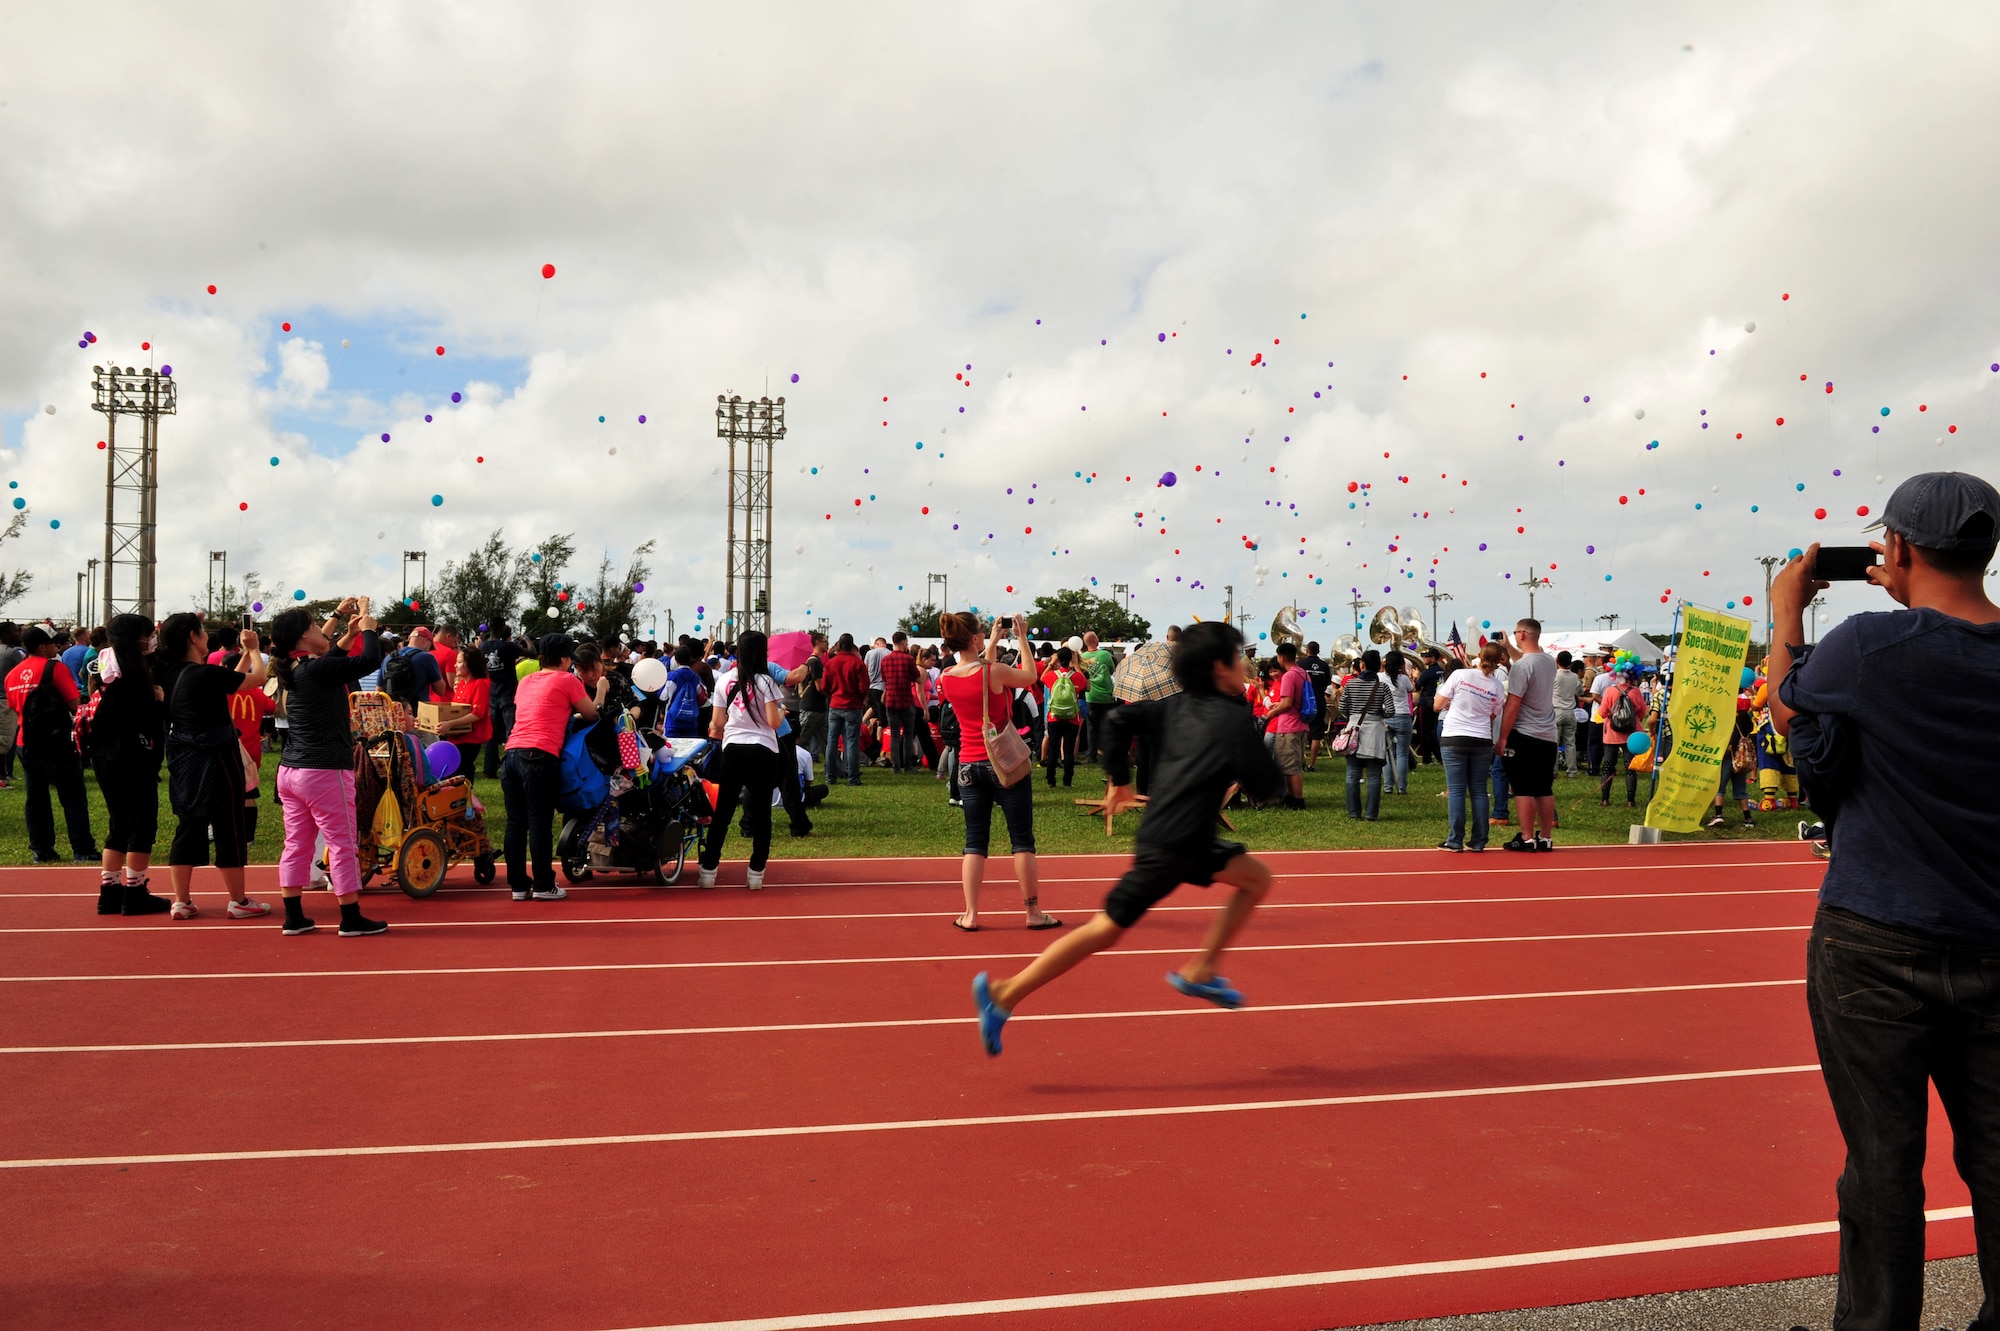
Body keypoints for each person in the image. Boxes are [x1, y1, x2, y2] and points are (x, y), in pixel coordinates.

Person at [1766, 473, 2000, 1328]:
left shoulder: (1868, 648)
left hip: (1874, 939)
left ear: (1895, 549)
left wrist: (1786, 610)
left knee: (1882, 1166)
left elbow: (1784, 709)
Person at [971, 622, 1283, 1057]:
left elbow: (1116, 719)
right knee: (1105, 929)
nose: (1245, 663)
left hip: (1180, 838)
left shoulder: (1175, 706)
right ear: (1219, 667)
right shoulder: (1234, 719)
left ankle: (1202, 967)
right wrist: (1256, 738)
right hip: (1175, 847)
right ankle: (1005, 993)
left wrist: (1119, 779)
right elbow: (1269, 787)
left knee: (1257, 879)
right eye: (1238, 656)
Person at [268, 598, 388, 937]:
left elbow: (330, 660)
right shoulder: (314, 670)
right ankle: (350, 917)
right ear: (303, 638)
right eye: (312, 626)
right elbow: (370, 660)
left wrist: (348, 635)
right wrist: (367, 628)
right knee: (341, 842)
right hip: (323, 771)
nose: (320, 631)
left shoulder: (295, 669)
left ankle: (294, 916)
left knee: (297, 843)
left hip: (291, 771)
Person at [936, 611, 1059, 933]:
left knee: (975, 841)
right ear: (974, 638)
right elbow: (1031, 675)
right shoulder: (996, 672)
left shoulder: (948, 676)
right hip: (1004, 763)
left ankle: (971, 914)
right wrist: (1020, 637)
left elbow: (978, 670)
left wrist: (990, 639)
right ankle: (1033, 912)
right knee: (1021, 840)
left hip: (968, 765)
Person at [155, 613, 269, 920]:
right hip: (217, 754)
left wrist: (243, 655)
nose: (207, 635)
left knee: (189, 822)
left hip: (183, 755)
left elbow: (230, 684)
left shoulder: (173, 672)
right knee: (229, 823)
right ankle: (239, 901)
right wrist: (256, 650)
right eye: (203, 631)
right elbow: (258, 679)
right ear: (193, 637)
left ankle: (181, 900)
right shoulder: (203, 674)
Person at [85, 614, 172, 915]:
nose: (153, 639)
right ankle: (135, 892)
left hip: (104, 755)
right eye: (150, 634)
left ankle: (109, 890)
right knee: (142, 823)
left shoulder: (104, 664)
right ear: (139, 638)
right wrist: (159, 701)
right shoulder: (135, 673)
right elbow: (142, 717)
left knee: (118, 821)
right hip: (132, 755)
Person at [502, 633, 599, 902]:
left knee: (516, 823)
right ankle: (544, 883)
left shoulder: (526, 681)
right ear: (566, 658)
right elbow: (591, 713)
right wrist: (600, 693)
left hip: (512, 753)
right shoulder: (567, 680)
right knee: (539, 822)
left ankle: (518, 886)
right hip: (539, 754)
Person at [698, 630, 787, 890]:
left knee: (723, 811)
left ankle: (708, 870)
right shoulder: (767, 682)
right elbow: (773, 722)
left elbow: (716, 723)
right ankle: (756, 873)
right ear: (762, 652)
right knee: (761, 813)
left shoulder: (725, 679)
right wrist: (781, 712)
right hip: (763, 750)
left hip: (734, 749)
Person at [7, 625, 98, 863]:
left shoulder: (13, 674)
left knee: (36, 798)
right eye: (52, 643)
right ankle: (82, 848)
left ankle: (41, 849)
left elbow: (15, 707)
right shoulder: (53, 668)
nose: (56, 647)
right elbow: (73, 703)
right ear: (41, 646)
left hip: (25, 742)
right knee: (73, 796)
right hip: (56, 742)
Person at [1434, 644, 1508, 851]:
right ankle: (1479, 840)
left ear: (1479, 655)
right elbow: (1493, 714)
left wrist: (1454, 703)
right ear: (1499, 661)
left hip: (1455, 736)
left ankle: (1455, 840)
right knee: (1478, 791)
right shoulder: (1497, 686)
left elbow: (1437, 705)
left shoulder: (1459, 674)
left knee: (1457, 790)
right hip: (1481, 738)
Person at [1496, 618, 1560, 852]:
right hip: (1547, 734)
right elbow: (1528, 659)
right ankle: (1545, 836)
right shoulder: (1548, 661)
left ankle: (1526, 837)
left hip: (1524, 732)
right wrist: (1508, 648)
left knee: (1522, 787)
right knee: (1543, 787)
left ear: (1521, 634)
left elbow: (1513, 704)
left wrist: (1502, 737)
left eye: (1515, 633)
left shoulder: (1522, 667)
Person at [222, 649, 277, 845]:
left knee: (226, 793)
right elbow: (273, 708)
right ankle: (248, 837)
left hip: (229, 746)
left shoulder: (226, 691)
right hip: (252, 749)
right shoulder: (257, 693)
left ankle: (223, 832)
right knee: (249, 793)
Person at [1335, 648, 1394, 820]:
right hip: (1374, 731)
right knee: (1374, 776)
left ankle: (1354, 812)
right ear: (1378, 667)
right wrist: (1377, 714)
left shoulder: (1351, 684)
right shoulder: (1382, 686)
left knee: (1352, 775)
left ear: (1362, 665)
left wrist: (1353, 717)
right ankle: (1371, 814)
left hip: (1354, 729)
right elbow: (1390, 711)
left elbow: (1342, 707)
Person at [1597, 662, 1649, 808]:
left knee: (1608, 766)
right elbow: (1642, 712)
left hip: (1611, 734)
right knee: (1630, 767)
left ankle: (1605, 799)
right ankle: (1630, 800)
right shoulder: (1636, 692)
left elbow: (1602, 712)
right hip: (1631, 736)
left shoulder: (1610, 691)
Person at [438, 647, 492, 784]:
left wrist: (450, 724)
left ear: (470, 663)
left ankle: (465, 799)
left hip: (470, 738)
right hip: (456, 736)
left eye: (460, 662)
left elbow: (477, 714)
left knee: (462, 771)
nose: (455, 665)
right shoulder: (462, 683)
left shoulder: (480, 684)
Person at [478, 622, 526, 778]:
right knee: (511, 733)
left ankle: (489, 769)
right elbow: (532, 652)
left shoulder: (483, 647)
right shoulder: (508, 647)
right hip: (508, 694)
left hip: (491, 694)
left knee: (491, 735)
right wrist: (525, 640)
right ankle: (510, 768)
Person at [823, 633, 868, 786]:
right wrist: (859, 698)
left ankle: (830, 776)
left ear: (839, 645)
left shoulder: (831, 663)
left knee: (831, 742)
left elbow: (824, 686)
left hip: (835, 704)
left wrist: (832, 695)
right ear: (852, 645)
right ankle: (853, 777)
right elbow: (864, 686)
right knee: (851, 742)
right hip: (852, 705)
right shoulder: (857, 663)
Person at [1039, 645, 1088, 787]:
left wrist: (1051, 663)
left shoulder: (1053, 676)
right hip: (1072, 718)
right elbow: (1084, 682)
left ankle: (1051, 780)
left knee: (1053, 749)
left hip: (1054, 717)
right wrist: (1076, 664)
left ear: (1059, 659)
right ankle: (1067, 780)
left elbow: (1042, 678)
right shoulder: (1077, 677)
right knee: (1068, 749)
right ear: (1070, 659)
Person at [879, 630, 923, 773]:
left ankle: (896, 766)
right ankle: (908, 765)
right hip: (906, 700)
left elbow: (884, 679)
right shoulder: (908, 659)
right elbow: (918, 678)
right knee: (908, 735)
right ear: (903, 642)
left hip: (891, 701)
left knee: (894, 735)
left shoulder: (885, 660)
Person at [1080, 630, 1118, 763]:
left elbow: (1083, 674)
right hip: (1107, 696)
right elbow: (1112, 670)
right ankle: (1109, 754)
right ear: (1096, 640)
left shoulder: (1082, 657)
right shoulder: (1105, 654)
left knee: (1092, 728)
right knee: (1108, 727)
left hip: (1091, 696)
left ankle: (1091, 755)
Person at [1382, 648, 1416, 795]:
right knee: (1402, 753)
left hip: (1386, 717)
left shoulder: (1380, 677)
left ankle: (1388, 786)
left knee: (1387, 753)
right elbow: (1411, 689)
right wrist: (1404, 671)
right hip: (1403, 716)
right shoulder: (1403, 679)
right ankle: (1402, 788)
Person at [1300, 641, 1334, 771]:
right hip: (1319, 702)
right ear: (1318, 651)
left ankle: (1301, 762)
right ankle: (1312, 764)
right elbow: (1327, 684)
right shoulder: (1324, 665)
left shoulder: (1301, 664)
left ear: (1307, 651)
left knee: (1302, 733)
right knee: (1316, 735)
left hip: (1304, 703)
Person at [0, 620, 23, 787]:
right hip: (4, 702)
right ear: (5, 634)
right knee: (5, 741)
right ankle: (2, 777)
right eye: (15, 631)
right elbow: (22, 674)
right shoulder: (12, 653)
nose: (18, 634)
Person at [1553, 651, 1582, 776]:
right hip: (1570, 711)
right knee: (1570, 742)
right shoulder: (1574, 677)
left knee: (1554, 743)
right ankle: (1572, 771)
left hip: (1556, 710)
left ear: (1557, 661)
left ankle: (1553, 770)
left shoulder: (1554, 675)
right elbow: (1579, 691)